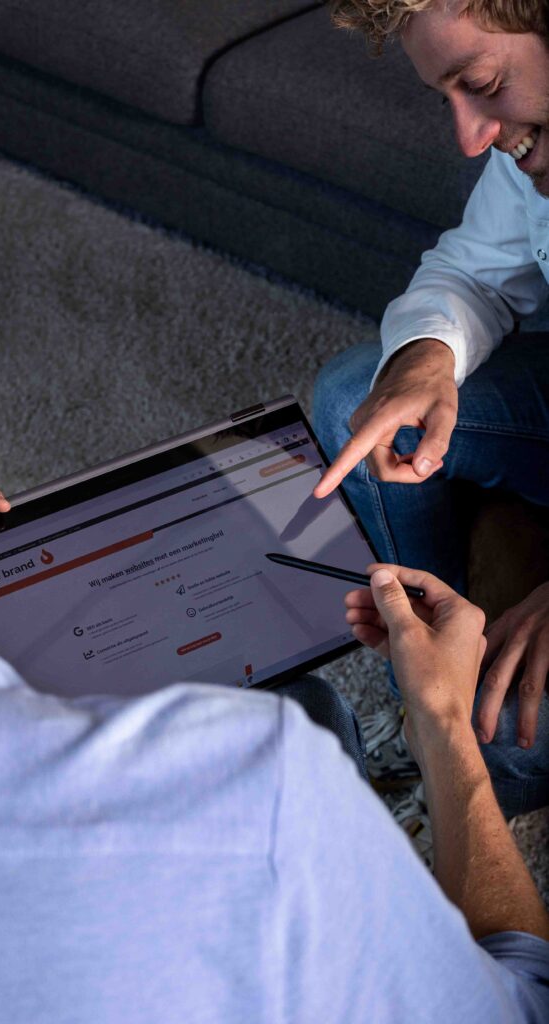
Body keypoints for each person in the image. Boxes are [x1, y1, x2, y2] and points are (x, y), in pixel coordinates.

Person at [0, 148, 548, 1022]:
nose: (469, 134)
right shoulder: (257, 783)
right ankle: (465, 759)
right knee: (307, 718)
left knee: (311, 701)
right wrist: (442, 721)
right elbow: (519, 1002)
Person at [312, 0, 549, 812]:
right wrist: (424, 360)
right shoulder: (528, 149)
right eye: (445, 96)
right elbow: (476, 270)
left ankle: (462, 757)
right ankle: (426, 686)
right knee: (361, 398)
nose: (470, 137)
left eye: (480, 83)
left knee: (502, 733)